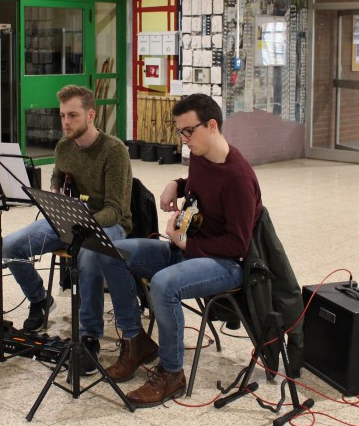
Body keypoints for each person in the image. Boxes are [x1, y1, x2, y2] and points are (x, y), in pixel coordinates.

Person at [94, 94, 262, 408]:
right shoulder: (200, 154)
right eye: (180, 131)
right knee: (110, 252)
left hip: (224, 264)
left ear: (212, 126)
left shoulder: (238, 178)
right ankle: (136, 341)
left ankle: (172, 373)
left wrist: (186, 244)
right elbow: (199, 184)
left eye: (188, 131)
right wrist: (176, 183)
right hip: (186, 249)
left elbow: (238, 245)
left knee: (163, 284)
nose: (184, 139)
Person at [2, 85, 133, 368]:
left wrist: (82, 223)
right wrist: (55, 191)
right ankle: (39, 300)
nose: (66, 122)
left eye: (73, 115)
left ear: (91, 115)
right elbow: (57, 177)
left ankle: (89, 335)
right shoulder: (63, 146)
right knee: (10, 246)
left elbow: (115, 210)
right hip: (70, 219)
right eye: (62, 116)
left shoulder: (114, 150)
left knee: (88, 255)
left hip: (109, 224)